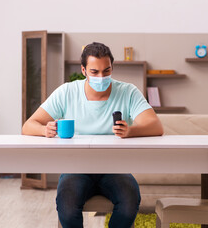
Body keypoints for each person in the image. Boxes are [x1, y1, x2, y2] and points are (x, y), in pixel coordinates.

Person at [22, 42, 164, 228]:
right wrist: (44, 130)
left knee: (130, 201)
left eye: (106, 71)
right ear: (83, 70)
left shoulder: (127, 92)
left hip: (115, 167)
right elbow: (28, 126)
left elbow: (156, 126)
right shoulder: (67, 92)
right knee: (66, 206)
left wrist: (131, 131)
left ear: (112, 68)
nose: (101, 77)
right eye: (94, 72)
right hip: (76, 167)